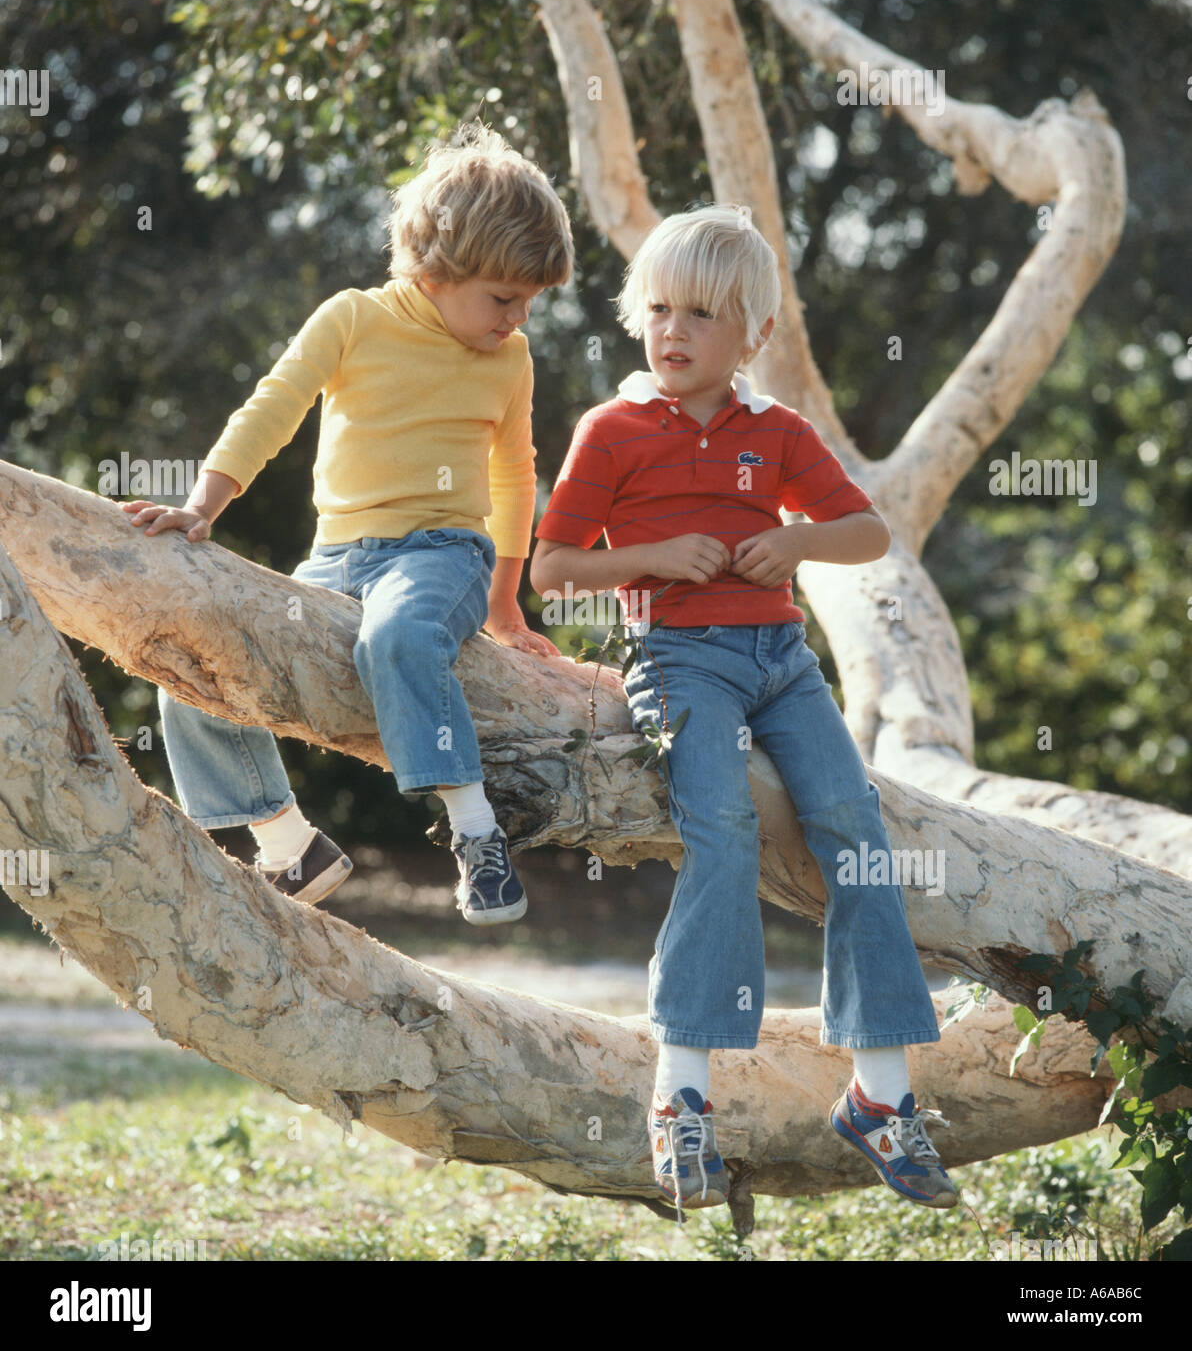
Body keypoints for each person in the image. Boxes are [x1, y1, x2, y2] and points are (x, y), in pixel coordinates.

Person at [530, 205, 954, 1219]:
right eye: (659, 308)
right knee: (717, 829)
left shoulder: (778, 432)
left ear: (752, 335)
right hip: (680, 662)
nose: (672, 332)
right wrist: (652, 559)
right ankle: (681, 1096)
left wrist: (796, 545)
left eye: (703, 315)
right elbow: (550, 566)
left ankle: (881, 1096)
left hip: (780, 660)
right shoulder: (614, 430)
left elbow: (865, 531)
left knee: (853, 828)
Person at [123, 121, 572, 925]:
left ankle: (475, 834)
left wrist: (505, 602)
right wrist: (201, 507)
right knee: (194, 660)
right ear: (441, 265)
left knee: (397, 635)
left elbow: (514, 475)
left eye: (531, 302)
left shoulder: (510, 360)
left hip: (444, 554)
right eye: (505, 297)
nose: (518, 318)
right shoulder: (353, 319)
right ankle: (291, 844)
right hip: (336, 560)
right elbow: (275, 406)